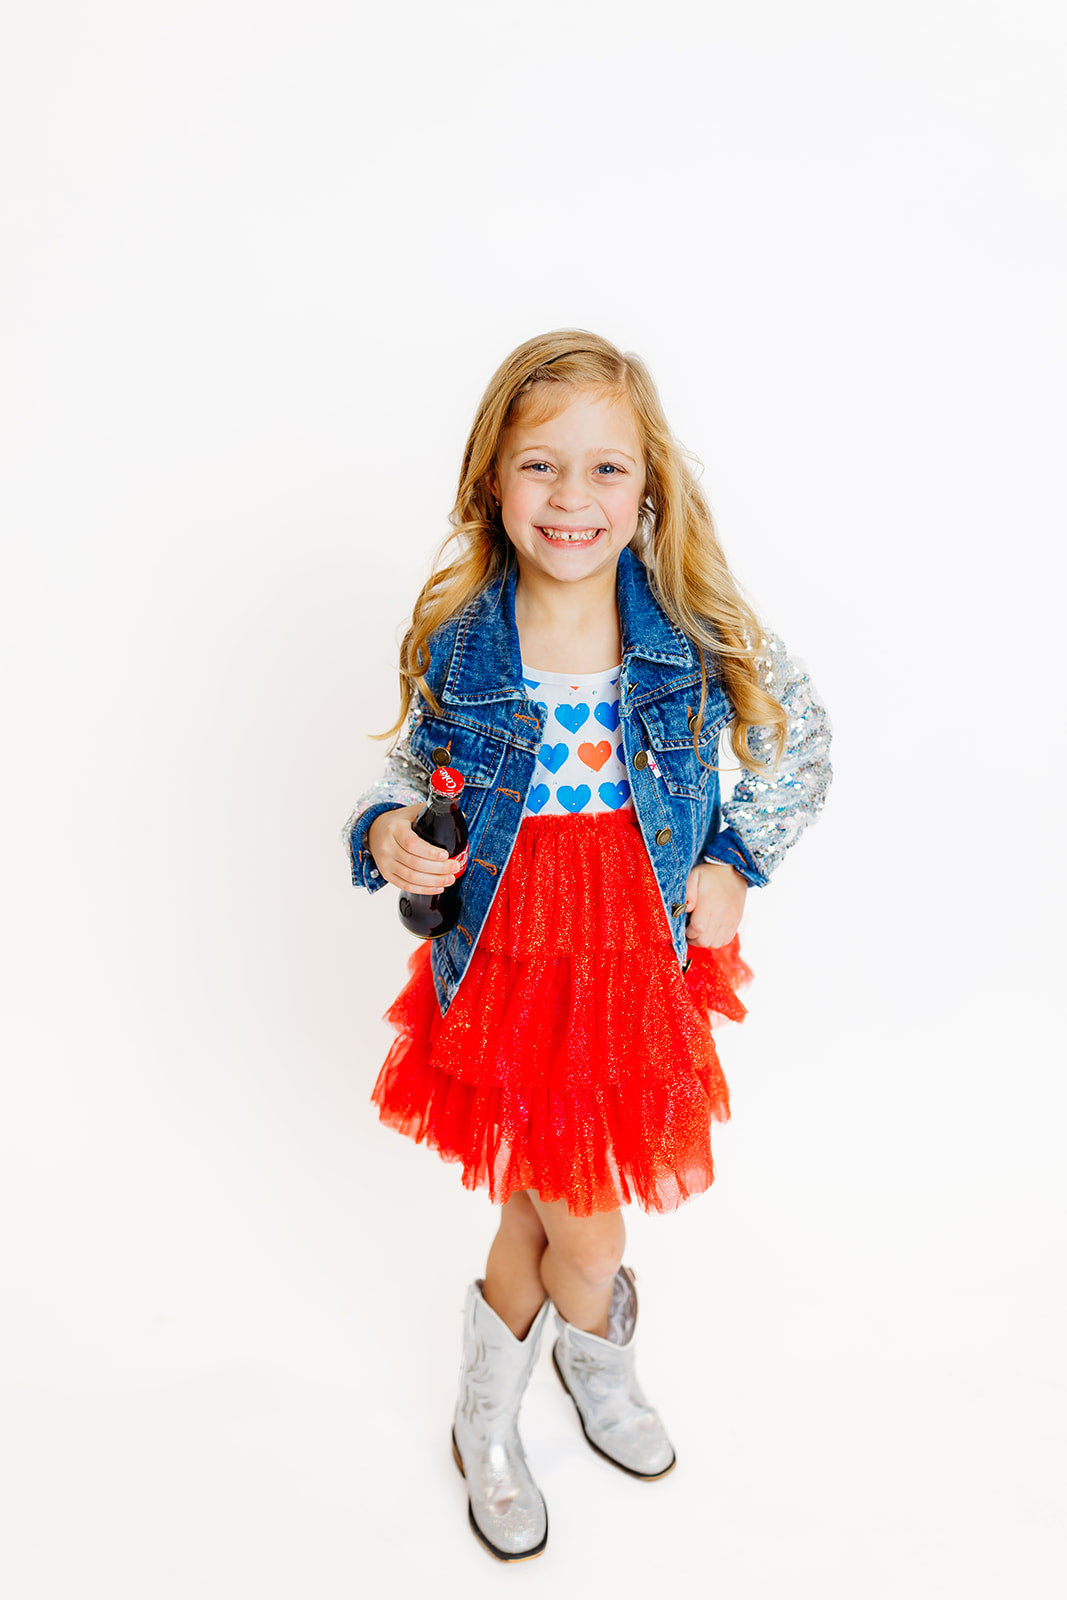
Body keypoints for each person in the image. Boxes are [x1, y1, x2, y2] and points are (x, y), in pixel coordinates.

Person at [343, 330, 832, 1562]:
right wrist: (389, 831)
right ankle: (572, 1371)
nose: (571, 499)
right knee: (585, 1222)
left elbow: (803, 742)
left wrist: (731, 862)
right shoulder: (459, 637)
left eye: (605, 470)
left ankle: (498, 1404)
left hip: (626, 950)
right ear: (489, 484)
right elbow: (402, 782)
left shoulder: (687, 628)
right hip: (508, 947)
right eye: (539, 467)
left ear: (648, 485)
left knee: (545, 1200)